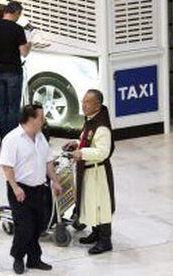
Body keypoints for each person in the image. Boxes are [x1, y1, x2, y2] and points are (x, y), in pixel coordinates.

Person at [0, 105, 62, 274]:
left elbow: (48, 162)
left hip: (39, 189)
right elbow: (7, 166)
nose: (44, 120)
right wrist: (15, 187)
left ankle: (34, 259)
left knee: (38, 225)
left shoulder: (41, 137)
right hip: (20, 190)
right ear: (31, 119)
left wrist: (55, 181)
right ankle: (18, 258)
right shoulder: (12, 139)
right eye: (41, 117)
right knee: (24, 227)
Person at [63, 89, 115, 255]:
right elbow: (88, 140)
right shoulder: (91, 120)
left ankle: (105, 241)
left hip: (98, 172)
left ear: (97, 105)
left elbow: (102, 152)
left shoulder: (102, 127)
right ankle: (96, 232)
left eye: (87, 102)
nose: (83, 105)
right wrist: (77, 143)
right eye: (83, 101)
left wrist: (81, 153)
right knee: (91, 203)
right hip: (89, 171)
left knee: (101, 205)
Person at [0, 1, 32, 140]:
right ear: (16, 13)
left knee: (1, 107)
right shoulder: (18, 29)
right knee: (13, 107)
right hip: (13, 71)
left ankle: (4, 138)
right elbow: (24, 52)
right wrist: (29, 43)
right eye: (19, 14)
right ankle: (13, 140)